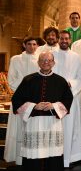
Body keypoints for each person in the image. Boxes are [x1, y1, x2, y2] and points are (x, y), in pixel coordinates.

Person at [11, 51, 73, 171]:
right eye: (43, 60)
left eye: (49, 60)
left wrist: (53, 106)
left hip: (52, 124)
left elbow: (68, 100)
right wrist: (34, 106)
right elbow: (17, 100)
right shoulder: (28, 79)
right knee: (34, 155)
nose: (46, 63)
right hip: (34, 124)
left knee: (53, 154)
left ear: (53, 63)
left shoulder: (60, 81)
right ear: (38, 62)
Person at [4, 37, 39, 165]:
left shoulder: (40, 59)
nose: (32, 47)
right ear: (24, 45)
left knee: (32, 129)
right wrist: (25, 90)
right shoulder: (16, 59)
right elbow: (11, 80)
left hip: (35, 100)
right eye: (29, 44)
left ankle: (32, 157)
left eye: (34, 44)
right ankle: (18, 158)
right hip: (20, 98)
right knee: (18, 128)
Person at [52, 30, 81, 167]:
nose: (64, 41)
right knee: (55, 128)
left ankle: (69, 158)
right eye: (62, 38)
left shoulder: (76, 57)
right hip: (54, 98)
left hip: (71, 97)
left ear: (70, 40)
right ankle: (55, 157)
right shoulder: (52, 55)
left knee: (71, 128)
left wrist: (71, 83)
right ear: (58, 40)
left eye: (66, 39)